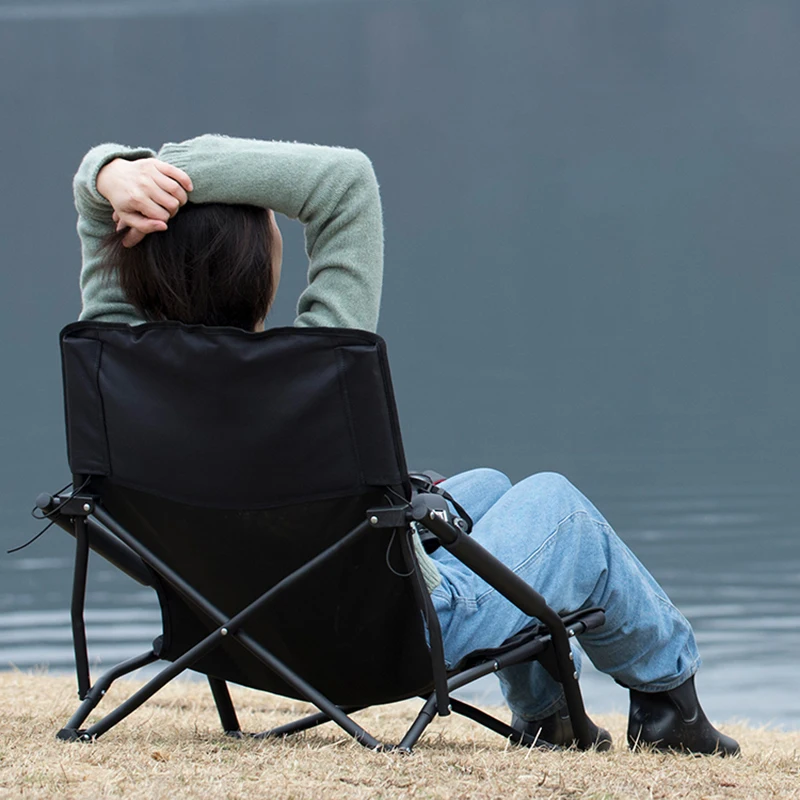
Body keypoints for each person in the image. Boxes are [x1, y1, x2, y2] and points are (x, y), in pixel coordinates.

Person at [74, 135, 739, 756]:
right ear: (256, 266)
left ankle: (548, 715)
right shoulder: (309, 362)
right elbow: (345, 182)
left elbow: (92, 206)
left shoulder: (123, 373)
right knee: (557, 509)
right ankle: (668, 707)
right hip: (396, 635)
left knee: (486, 488)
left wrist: (117, 174)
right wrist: (184, 172)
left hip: (240, 634)